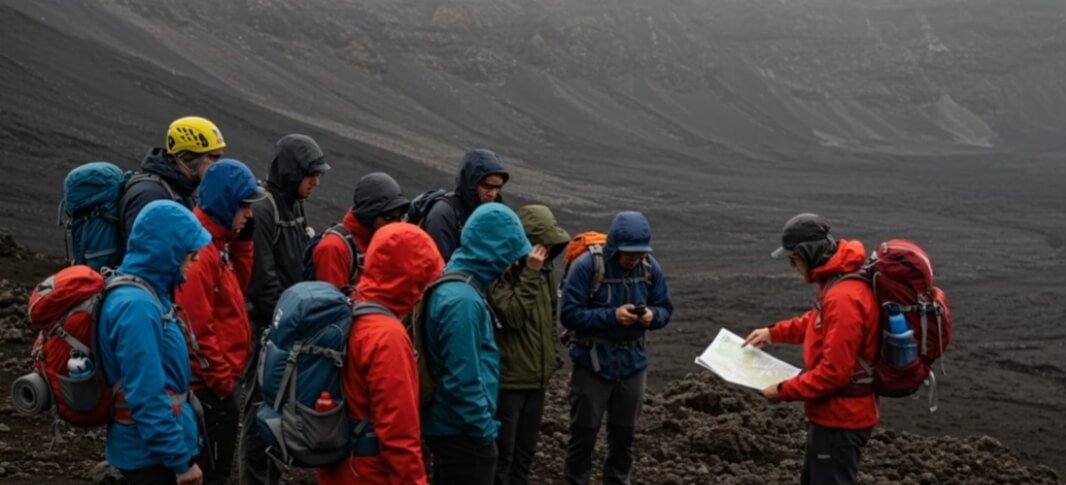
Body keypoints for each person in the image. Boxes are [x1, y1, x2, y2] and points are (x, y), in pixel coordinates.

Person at [742, 213, 880, 485]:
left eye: (794, 258)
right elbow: (817, 321)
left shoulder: (843, 297)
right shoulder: (840, 282)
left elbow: (834, 373)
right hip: (835, 414)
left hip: (841, 418)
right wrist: (774, 332)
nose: (793, 265)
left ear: (808, 253)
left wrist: (783, 391)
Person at [316, 223, 445, 484]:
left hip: (337, 462)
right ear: (411, 278)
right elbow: (399, 435)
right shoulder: (388, 337)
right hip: (369, 470)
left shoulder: (350, 309)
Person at [97, 200, 211, 485]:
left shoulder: (146, 292)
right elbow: (146, 395)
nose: (196, 258)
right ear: (167, 251)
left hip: (152, 448)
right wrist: (180, 461)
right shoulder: (138, 306)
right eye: (189, 251)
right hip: (151, 457)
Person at [240, 133, 329, 485]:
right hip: (267, 329)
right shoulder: (264, 209)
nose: (316, 182)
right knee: (259, 408)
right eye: (311, 174)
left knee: (281, 408)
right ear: (293, 172)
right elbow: (262, 281)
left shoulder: (292, 204)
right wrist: (288, 323)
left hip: (288, 328)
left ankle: (270, 476)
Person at [559, 211, 674, 485]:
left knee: (624, 437)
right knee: (583, 437)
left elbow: (665, 308)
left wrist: (651, 317)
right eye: (629, 253)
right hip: (593, 363)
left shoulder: (649, 267)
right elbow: (569, 314)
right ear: (615, 248)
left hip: (633, 363)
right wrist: (612, 316)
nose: (634, 258)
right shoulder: (588, 266)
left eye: (640, 252)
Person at [421, 203, 532, 485]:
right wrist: (484, 432)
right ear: (494, 250)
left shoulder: (455, 284)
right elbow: (463, 380)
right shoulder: (463, 301)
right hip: (462, 433)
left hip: (450, 427)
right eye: (510, 252)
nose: (512, 263)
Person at [174, 160, 265, 485]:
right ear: (226, 203)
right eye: (244, 207)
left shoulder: (216, 244)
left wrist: (242, 245)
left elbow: (234, 295)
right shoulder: (201, 251)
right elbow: (195, 327)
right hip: (207, 388)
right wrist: (223, 381)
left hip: (212, 384)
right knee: (211, 474)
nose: (249, 216)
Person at [487, 205, 571, 485]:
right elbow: (512, 316)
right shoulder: (500, 272)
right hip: (510, 382)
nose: (546, 250)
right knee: (503, 455)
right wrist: (530, 274)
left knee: (525, 453)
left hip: (537, 378)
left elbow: (550, 316)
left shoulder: (545, 270)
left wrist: (551, 359)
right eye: (542, 243)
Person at [120, 116, 226, 236]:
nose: (218, 164)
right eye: (213, 157)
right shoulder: (150, 195)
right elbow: (143, 251)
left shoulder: (183, 191)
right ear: (190, 157)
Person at [312, 172, 410, 291]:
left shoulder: (382, 242)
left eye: (399, 218)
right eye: (388, 218)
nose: (395, 225)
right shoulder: (333, 248)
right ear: (369, 214)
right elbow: (329, 305)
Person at [422, 148, 508, 262]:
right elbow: (440, 265)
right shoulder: (443, 214)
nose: (492, 194)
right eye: (486, 186)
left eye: (497, 188)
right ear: (471, 183)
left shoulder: (497, 212)